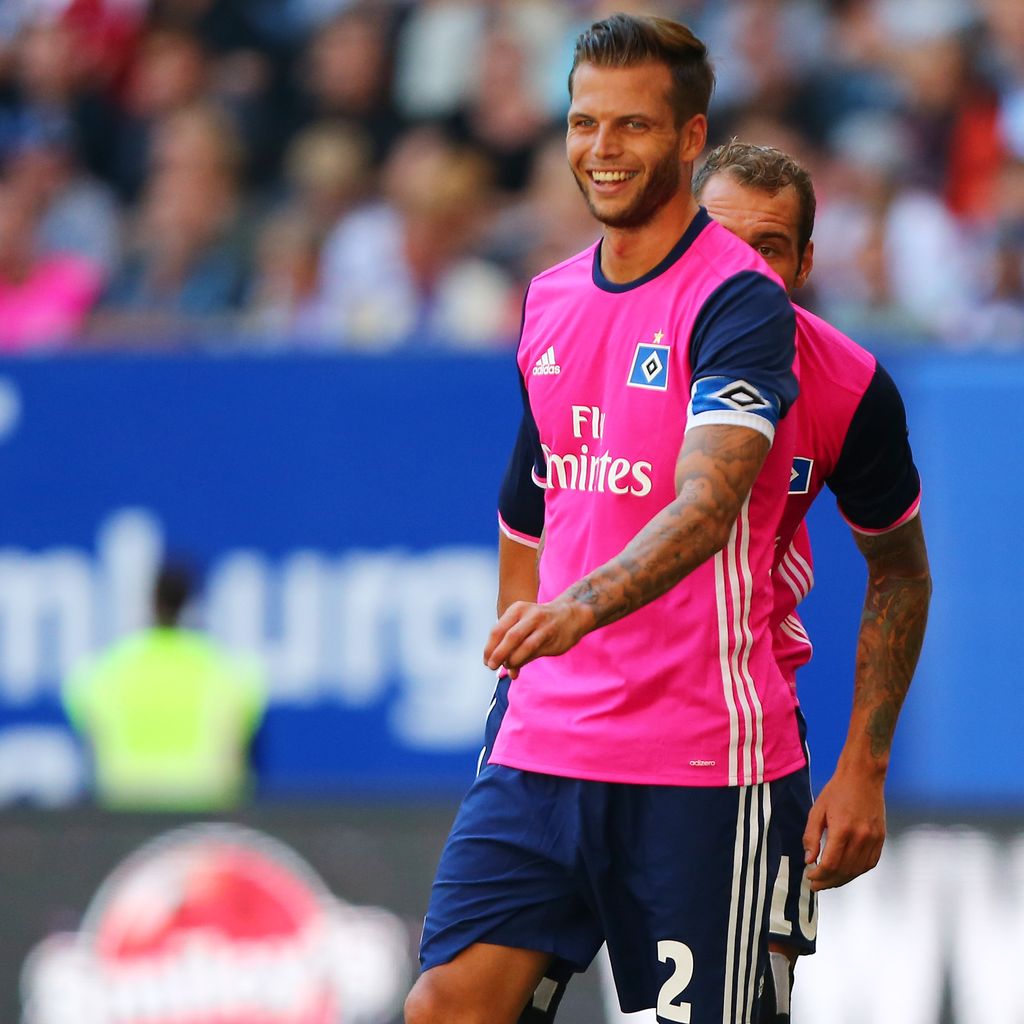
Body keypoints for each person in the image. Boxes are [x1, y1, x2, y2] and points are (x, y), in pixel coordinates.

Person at [406, 15, 806, 1024]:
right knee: (447, 1004)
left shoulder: (737, 299)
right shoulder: (545, 299)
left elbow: (708, 501)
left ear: (686, 138)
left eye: (630, 125)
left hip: (695, 754)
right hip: (546, 747)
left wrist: (575, 610)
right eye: (584, 123)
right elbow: (530, 502)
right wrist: (518, 681)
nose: (601, 148)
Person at [495, 141, 933, 1024]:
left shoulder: (846, 385)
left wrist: (864, 769)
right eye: (723, 238)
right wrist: (518, 699)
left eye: (769, 246)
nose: (743, 264)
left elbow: (900, 573)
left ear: (806, 262)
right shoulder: (590, 331)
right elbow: (524, 528)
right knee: (457, 1005)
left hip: (729, 745)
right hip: (566, 739)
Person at [62, 562, 266, 811]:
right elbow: (243, 755)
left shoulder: (104, 672)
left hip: (124, 812)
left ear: (149, 603)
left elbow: (90, 740)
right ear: (192, 603)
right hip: (203, 812)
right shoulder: (228, 672)